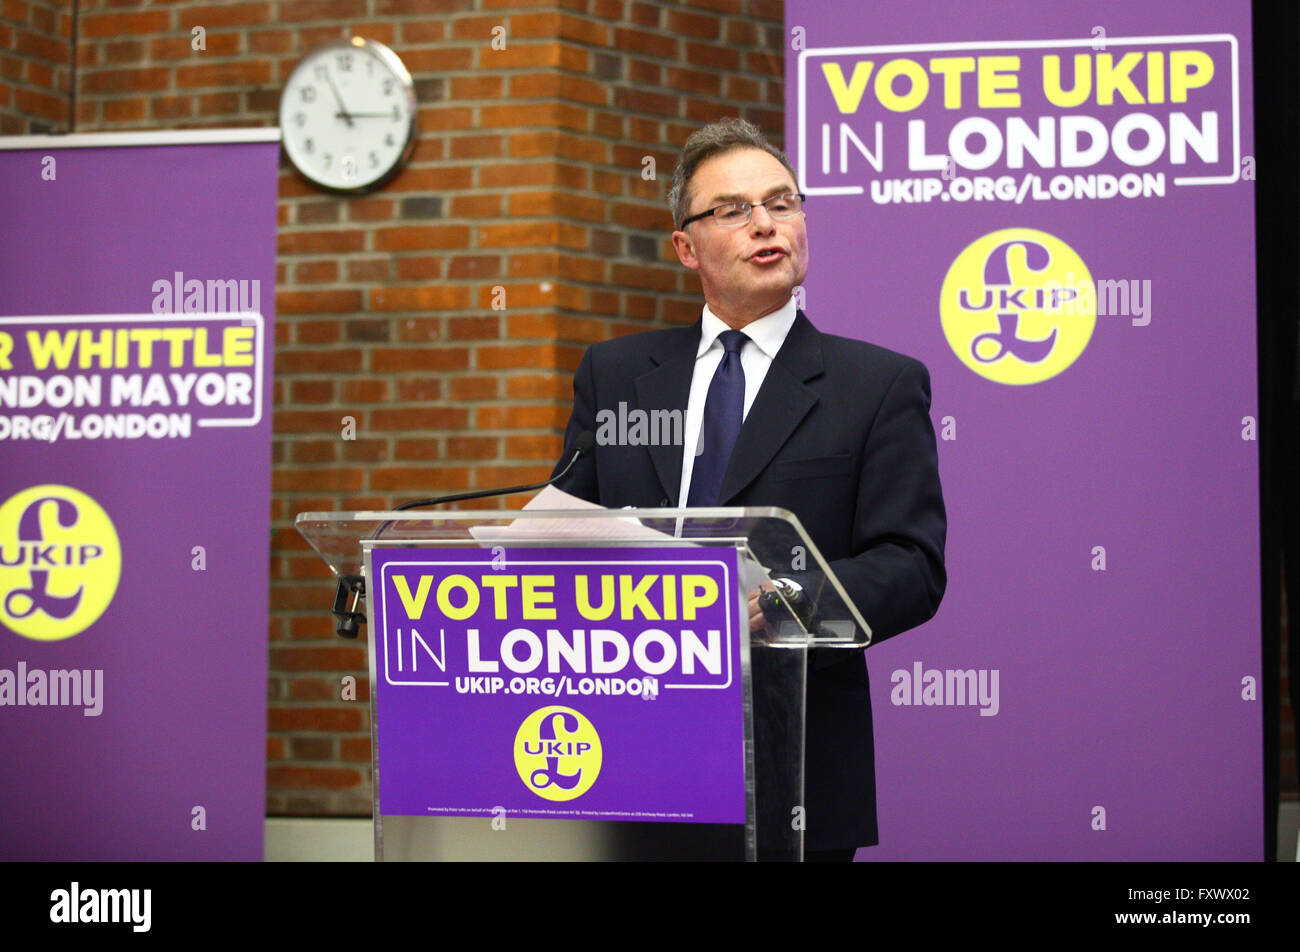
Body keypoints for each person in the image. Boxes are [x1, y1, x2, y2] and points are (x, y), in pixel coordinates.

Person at [551, 117, 946, 860]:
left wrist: (779, 605)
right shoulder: (618, 375)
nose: (766, 224)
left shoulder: (876, 385)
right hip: (625, 761)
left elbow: (910, 565)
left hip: (791, 766)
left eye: (783, 203)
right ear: (686, 246)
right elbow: (568, 533)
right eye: (733, 210)